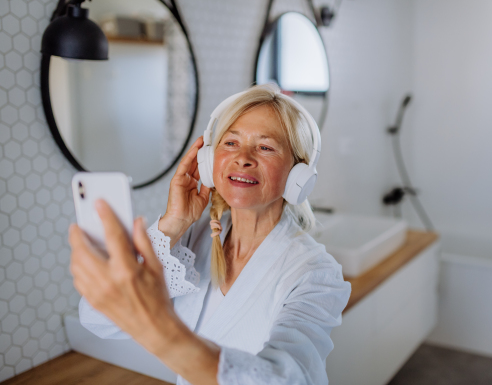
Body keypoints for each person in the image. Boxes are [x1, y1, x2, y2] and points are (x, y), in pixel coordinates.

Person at [69, 84, 351, 385]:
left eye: (265, 147)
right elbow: (96, 318)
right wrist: (174, 222)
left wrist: (161, 333)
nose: (242, 158)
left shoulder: (315, 274)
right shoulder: (193, 240)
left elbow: (287, 378)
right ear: (208, 162)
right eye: (230, 143)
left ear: (299, 174)